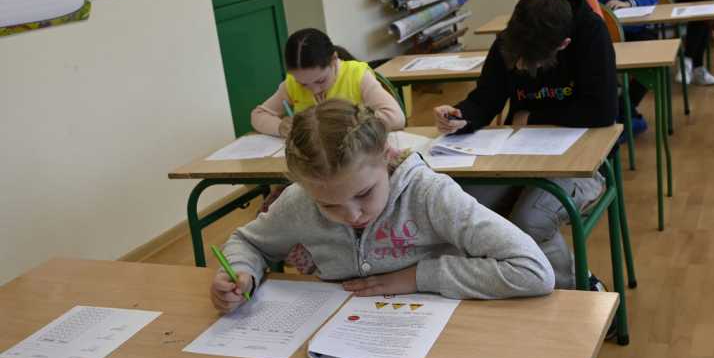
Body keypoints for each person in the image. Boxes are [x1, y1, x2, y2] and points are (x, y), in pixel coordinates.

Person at [210, 99, 555, 312]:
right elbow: (248, 241)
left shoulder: (428, 194)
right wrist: (241, 272)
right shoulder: (299, 202)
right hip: (343, 334)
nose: (352, 215)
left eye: (364, 193)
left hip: (438, 330)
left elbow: (533, 271)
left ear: (387, 155)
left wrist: (417, 277)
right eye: (328, 205)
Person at [433, 0, 616, 291]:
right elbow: (486, 98)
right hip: (518, 152)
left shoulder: (591, 34)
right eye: (514, 57)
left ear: (563, 45)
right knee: (460, 207)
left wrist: (532, 116)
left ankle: (582, 288)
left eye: (528, 61)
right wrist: (461, 115)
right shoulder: (515, 36)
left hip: (585, 159)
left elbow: (602, 110)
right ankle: (512, 283)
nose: (517, 66)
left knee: (531, 220)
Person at [251, 28, 405, 137]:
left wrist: (349, 123)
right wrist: (280, 127)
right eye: (303, 84)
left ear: (333, 60)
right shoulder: (291, 84)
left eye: (320, 80)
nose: (315, 90)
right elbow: (258, 115)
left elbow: (396, 117)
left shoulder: (357, 76)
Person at [581, 0, 658, 134]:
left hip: (636, 32)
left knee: (650, 65)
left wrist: (628, 3)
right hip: (602, 39)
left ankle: (624, 112)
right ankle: (627, 117)